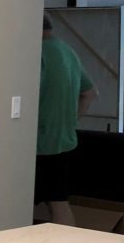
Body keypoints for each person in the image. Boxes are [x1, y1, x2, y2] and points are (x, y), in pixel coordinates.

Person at [35, 13, 97, 225]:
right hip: (65, 141)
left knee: (19, 201)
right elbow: (89, 93)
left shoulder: (37, 53)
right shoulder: (67, 51)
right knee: (58, 202)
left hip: (40, 144)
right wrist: (72, 121)